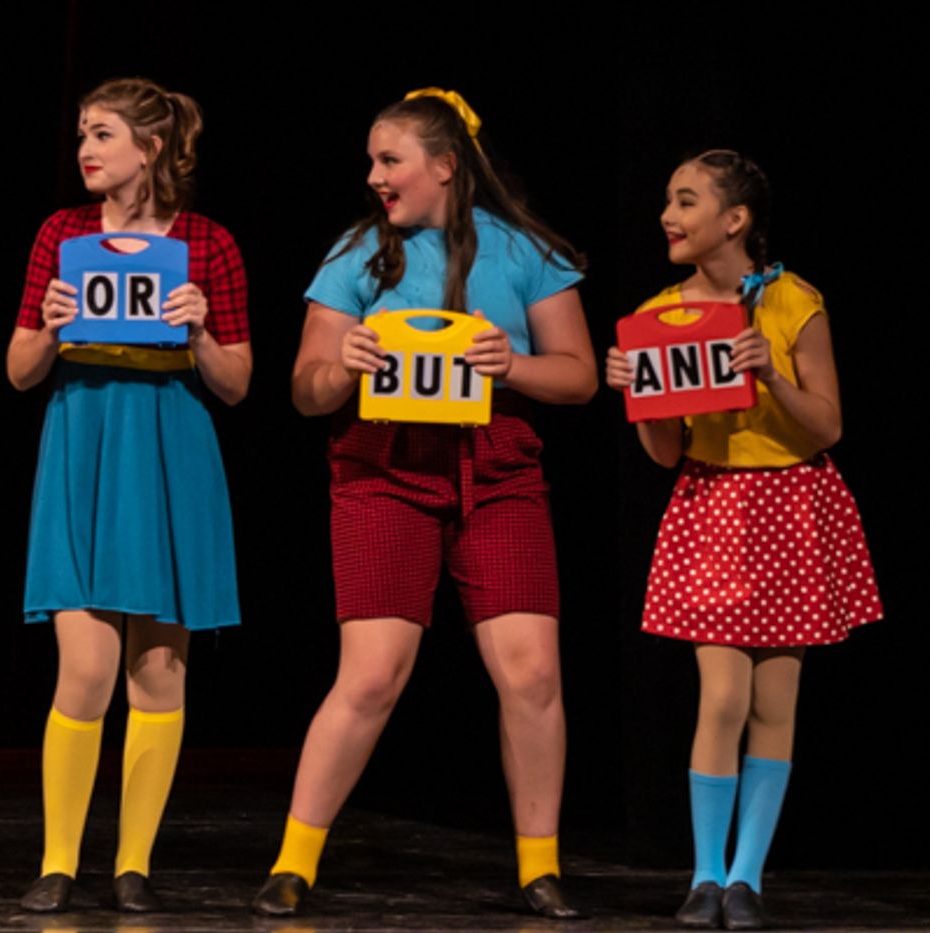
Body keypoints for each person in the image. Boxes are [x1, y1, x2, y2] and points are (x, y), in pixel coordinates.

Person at [250, 88, 596, 920]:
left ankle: (539, 866)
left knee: (533, 672)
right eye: (372, 160)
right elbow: (304, 388)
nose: (374, 176)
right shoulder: (358, 255)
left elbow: (580, 375)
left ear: (445, 166)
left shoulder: (525, 252)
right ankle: (294, 861)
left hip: (498, 467)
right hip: (383, 467)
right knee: (371, 676)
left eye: (390, 159)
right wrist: (345, 368)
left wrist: (509, 363)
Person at [606, 150, 882, 930]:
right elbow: (666, 452)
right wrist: (640, 397)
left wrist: (771, 375)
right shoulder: (660, 316)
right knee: (722, 694)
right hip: (714, 505)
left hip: (791, 502)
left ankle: (746, 879)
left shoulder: (795, 302)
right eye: (667, 198)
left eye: (685, 201)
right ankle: (704, 874)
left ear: (735, 220)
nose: (667, 214)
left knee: (774, 701)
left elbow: (827, 424)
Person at [7, 77, 251, 914]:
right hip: (84, 439)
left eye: (103, 134)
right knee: (85, 665)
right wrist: (46, 322)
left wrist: (202, 329)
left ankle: (133, 863)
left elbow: (238, 382)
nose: (85, 148)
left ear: (149, 149)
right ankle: (59, 860)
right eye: (82, 132)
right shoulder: (61, 234)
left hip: (168, 444)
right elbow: (18, 370)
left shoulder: (208, 242)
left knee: (158, 667)